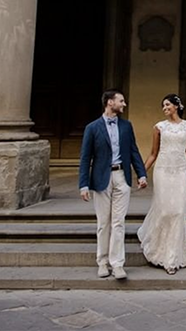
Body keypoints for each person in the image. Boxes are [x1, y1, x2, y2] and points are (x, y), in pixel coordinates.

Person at [78, 89, 147, 280]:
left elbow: (134, 151)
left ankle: (117, 264)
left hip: (122, 176)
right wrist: (83, 184)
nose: (124, 104)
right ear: (110, 102)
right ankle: (102, 262)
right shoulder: (92, 128)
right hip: (101, 178)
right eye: (121, 101)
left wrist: (141, 174)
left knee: (119, 222)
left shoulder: (126, 126)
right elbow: (85, 158)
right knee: (103, 222)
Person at [137, 94, 186, 275]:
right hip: (162, 171)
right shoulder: (159, 127)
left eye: (167, 105)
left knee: (178, 212)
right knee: (164, 211)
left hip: (181, 171)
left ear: (176, 106)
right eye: (163, 106)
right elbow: (153, 153)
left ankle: (172, 257)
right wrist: (142, 172)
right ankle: (157, 249)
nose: (165, 108)